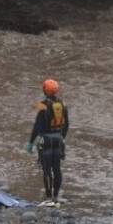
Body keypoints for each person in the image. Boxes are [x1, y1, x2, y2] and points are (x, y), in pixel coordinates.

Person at [26, 78, 70, 207]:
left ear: (45, 90)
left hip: (45, 140)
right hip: (58, 139)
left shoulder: (42, 104)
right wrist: (62, 138)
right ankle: (56, 197)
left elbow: (37, 125)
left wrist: (31, 143)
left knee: (46, 170)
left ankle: (48, 198)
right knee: (57, 169)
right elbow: (66, 124)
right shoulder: (63, 104)